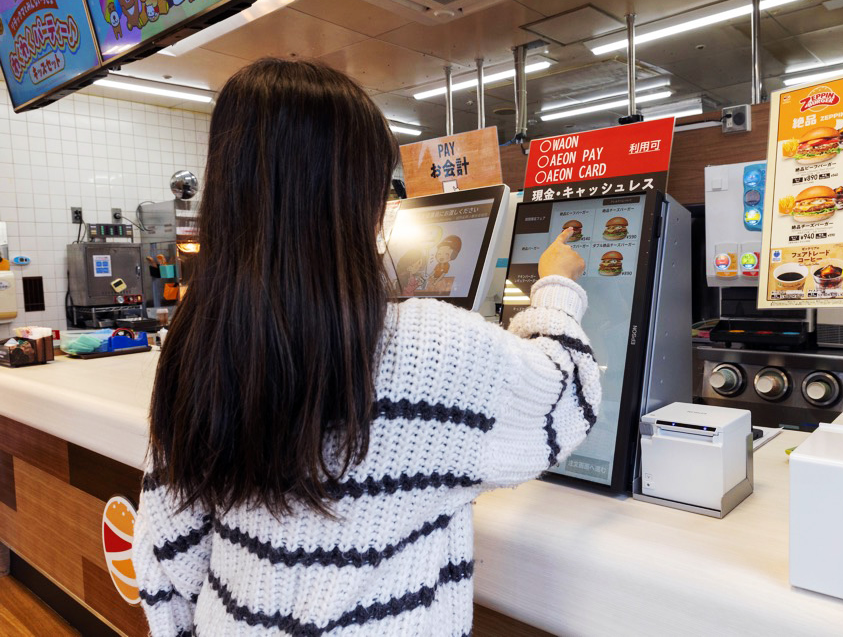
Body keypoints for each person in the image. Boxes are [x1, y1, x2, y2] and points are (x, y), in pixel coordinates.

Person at [133, 58, 600, 637]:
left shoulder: (198, 347)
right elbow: (567, 396)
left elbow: (167, 551)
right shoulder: (430, 348)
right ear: (358, 202)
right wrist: (558, 286)